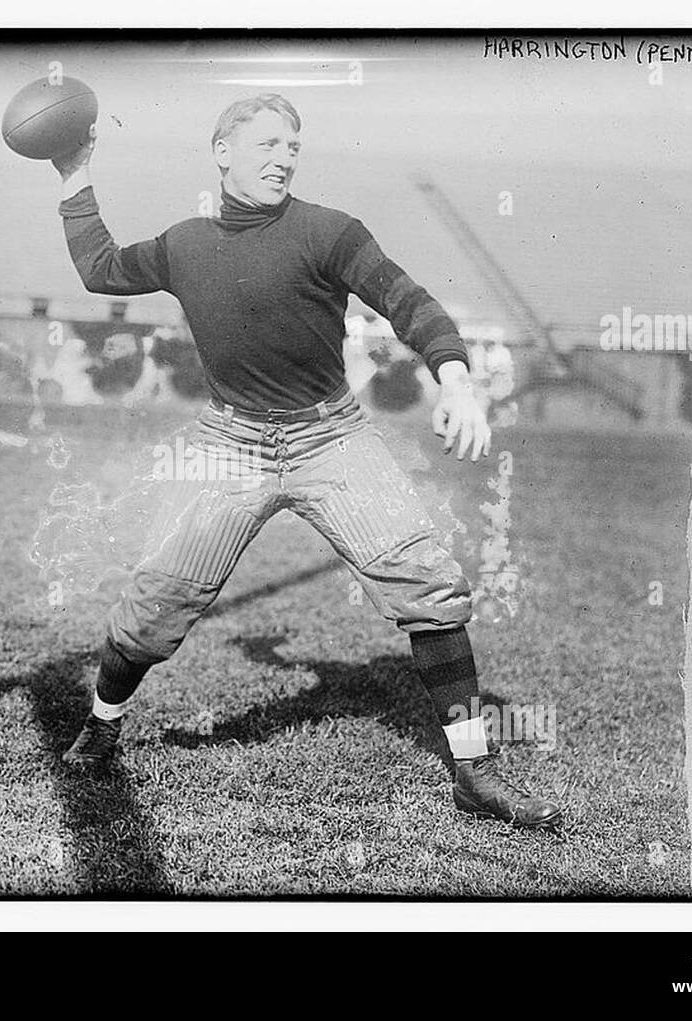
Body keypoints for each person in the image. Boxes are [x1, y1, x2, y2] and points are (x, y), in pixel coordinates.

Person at [51, 94, 560, 827]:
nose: (283, 156)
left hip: (332, 438)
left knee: (431, 585)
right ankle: (102, 725)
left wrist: (454, 374)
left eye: (292, 145)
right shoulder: (185, 244)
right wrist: (74, 174)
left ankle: (473, 773)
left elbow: (406, 299)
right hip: (231, 445)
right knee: (152, 611)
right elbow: (100, 269)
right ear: (221, 150)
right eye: (265, 144)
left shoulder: (328, 231)